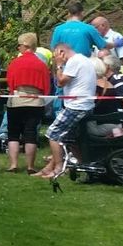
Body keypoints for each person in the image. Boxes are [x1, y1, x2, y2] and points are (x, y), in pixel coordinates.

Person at [37, 42, 97, 179]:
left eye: (55, 55)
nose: (54, 59)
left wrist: (59, 65)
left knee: (53, 134)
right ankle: (53, 167)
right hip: (84, 105)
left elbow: (60, 82)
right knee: (68, 138)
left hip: (77, 106)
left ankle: (58, 169)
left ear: (62, 52)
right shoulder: (83, 60)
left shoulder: (74, 61)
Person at [4, 32, 51, 174]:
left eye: (19, 46)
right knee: (31, 134)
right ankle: (30, 166)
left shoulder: (15, 63)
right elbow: (46, 86)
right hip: (35, 102)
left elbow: (10, 84)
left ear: (25, 46)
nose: (18, 48)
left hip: (17, 100)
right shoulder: (41, 64)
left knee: (13, 133)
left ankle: (13, 164)